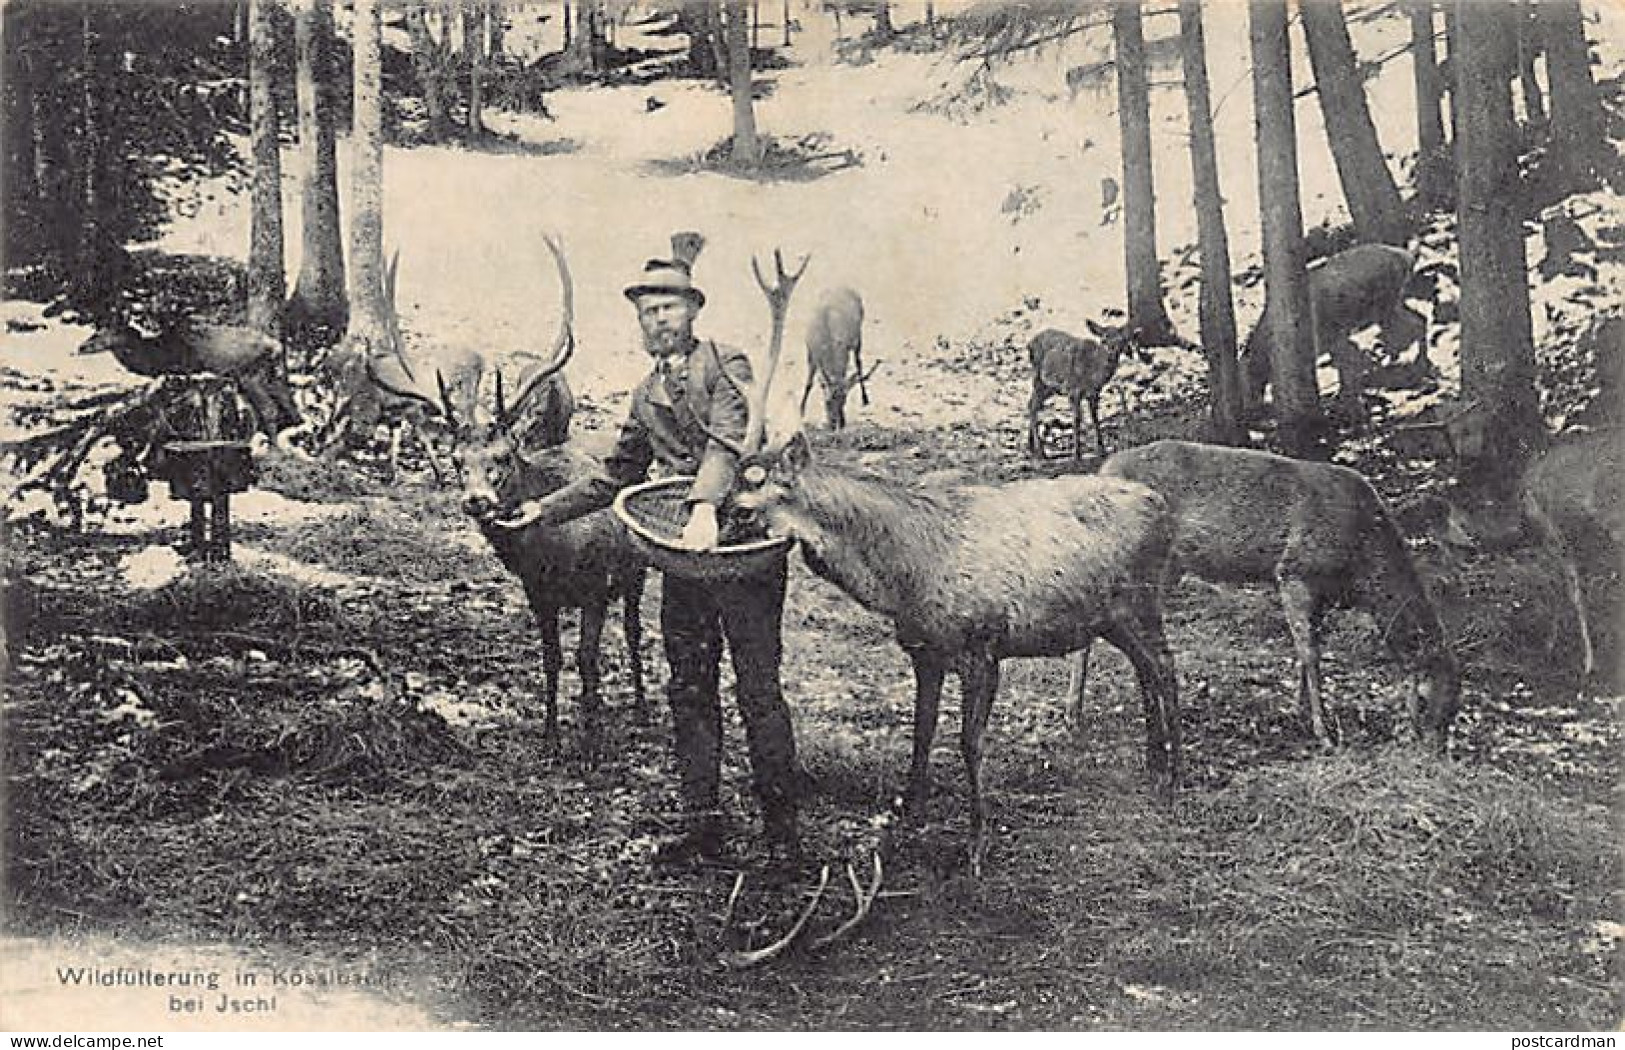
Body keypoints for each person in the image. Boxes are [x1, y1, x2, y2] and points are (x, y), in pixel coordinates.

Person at [495, 242, 802, 865]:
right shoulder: (643, 394)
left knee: (757, 689)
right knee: (689, 686)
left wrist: (707, 506)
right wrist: (544, 509)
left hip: (741, 547)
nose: (657, 320)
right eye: (646, 312)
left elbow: (730, 441)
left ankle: (782, 832)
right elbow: (615, 475)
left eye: (669, 307)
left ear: (693, 311)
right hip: (684, 558)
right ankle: (703, 825)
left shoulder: (725, 364)